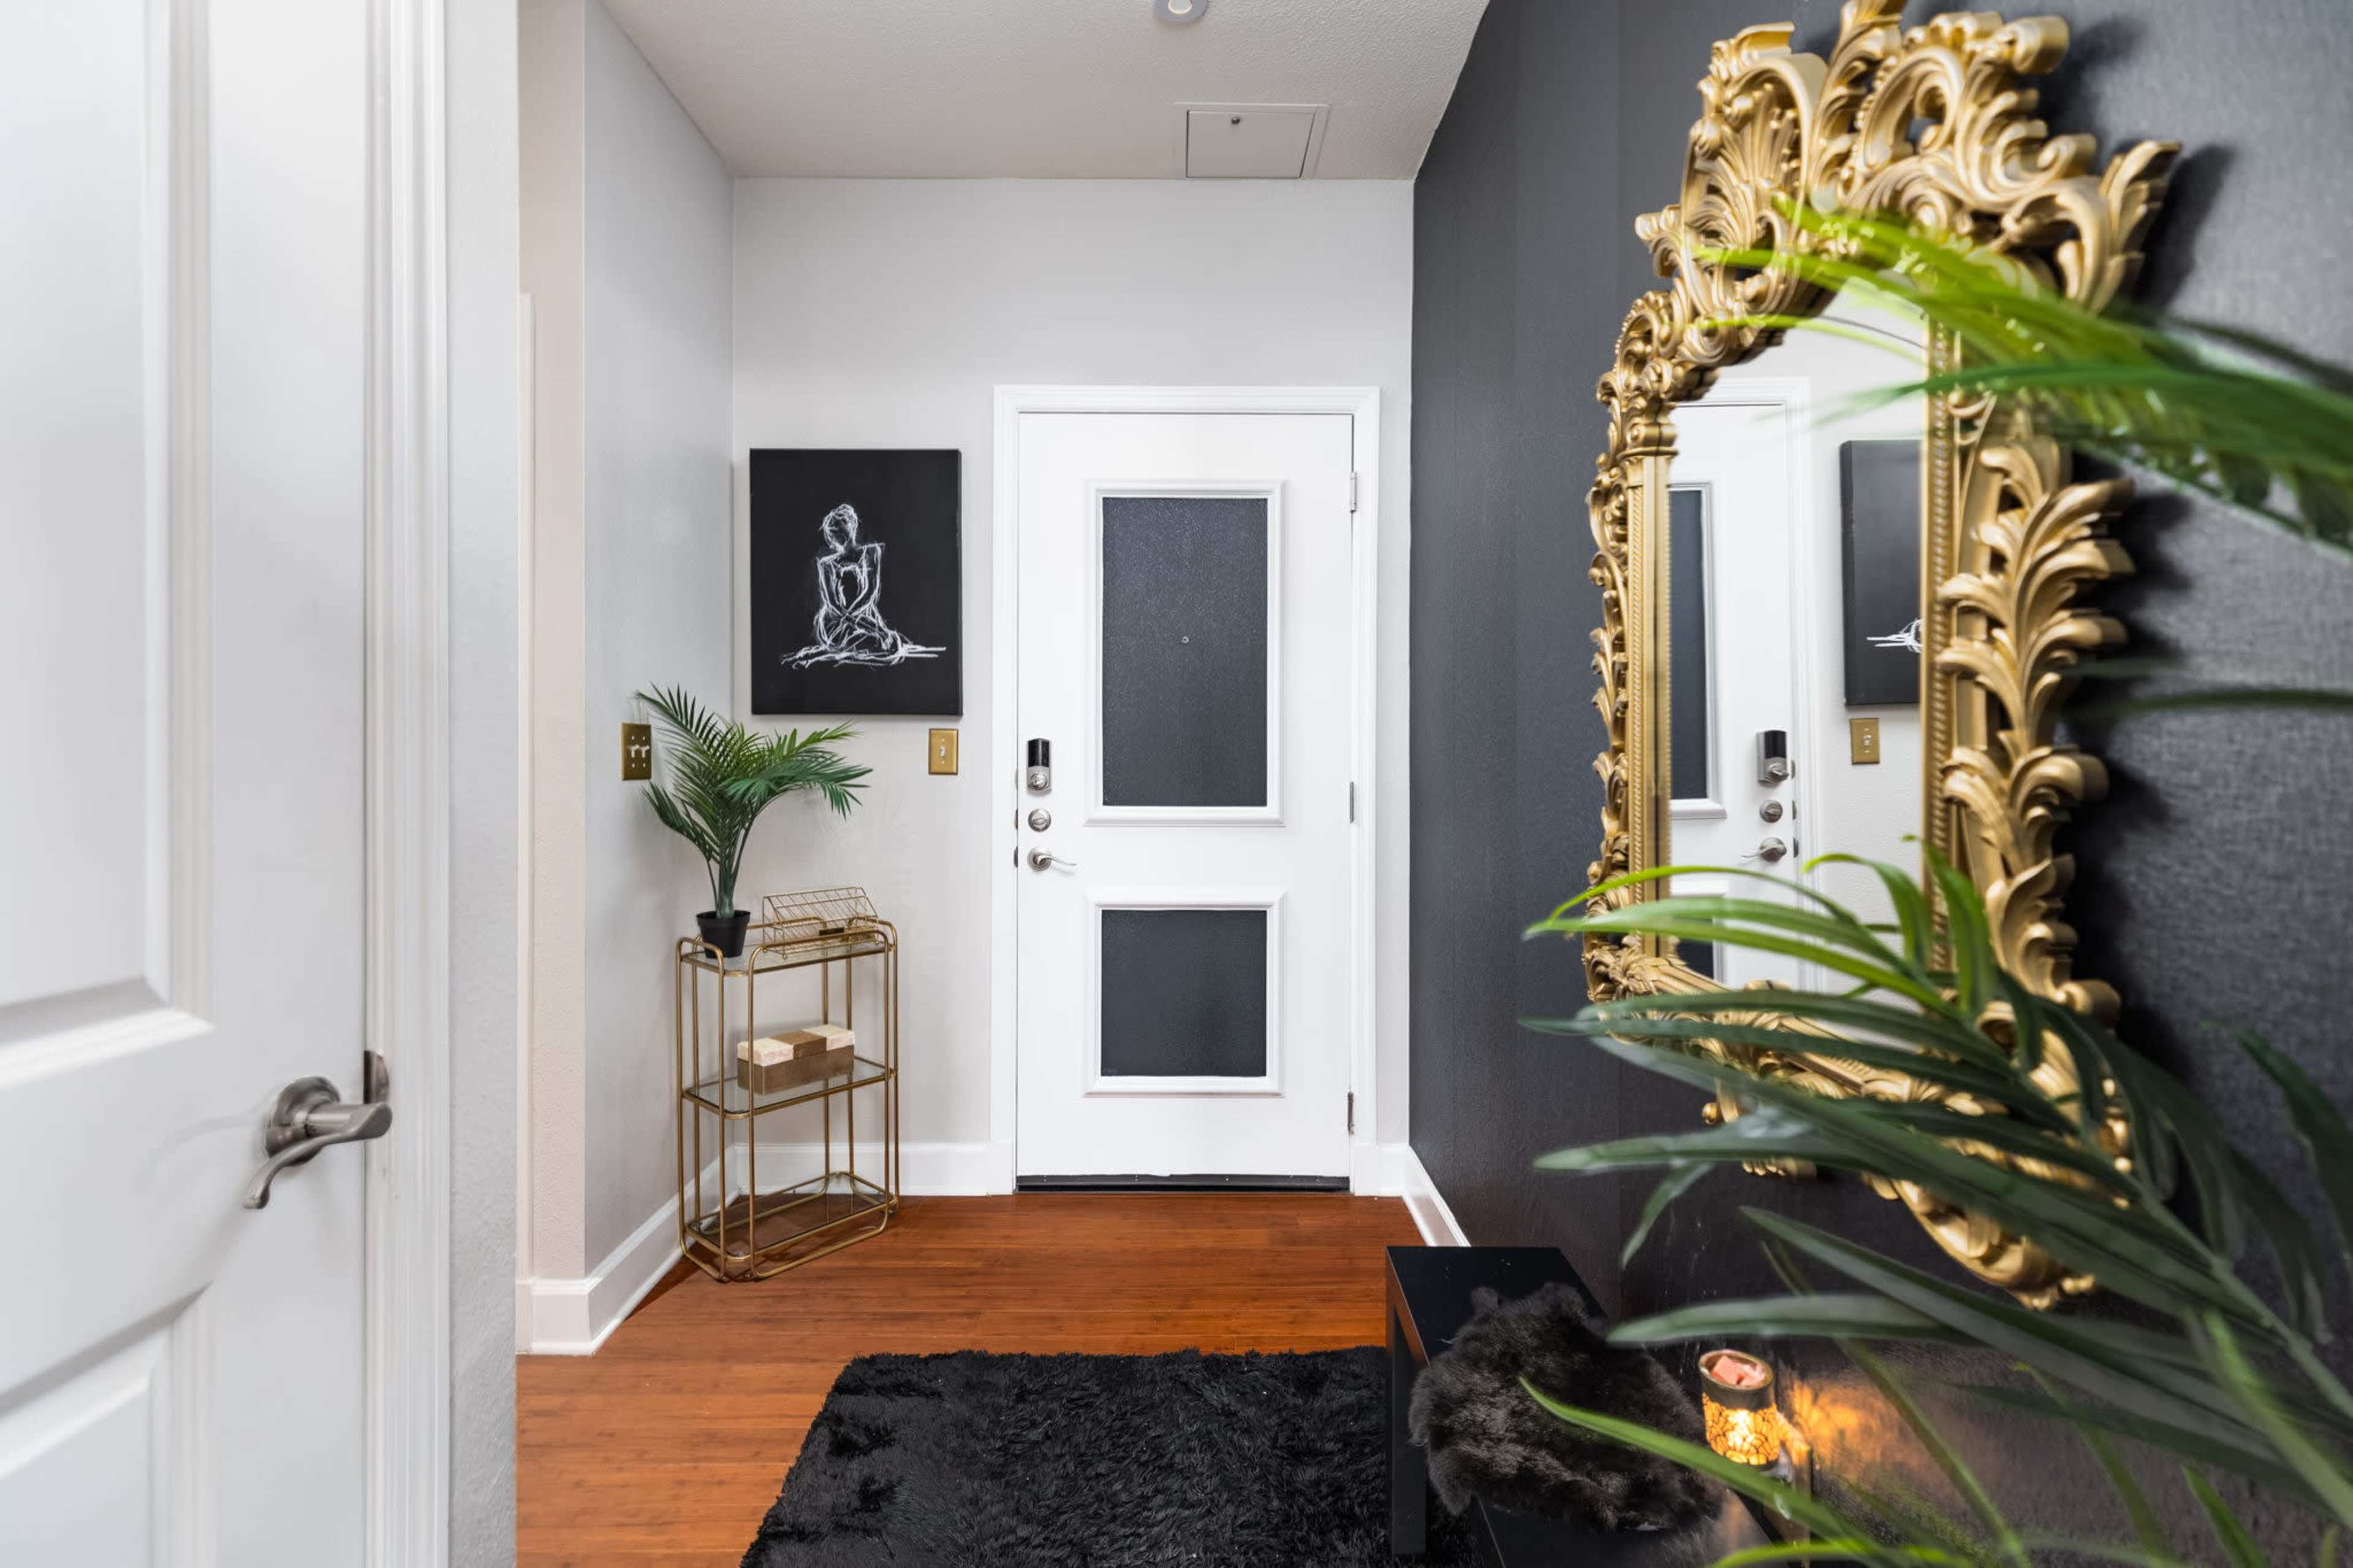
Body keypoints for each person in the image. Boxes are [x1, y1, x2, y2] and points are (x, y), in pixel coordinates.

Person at [787, 502, 942, 668]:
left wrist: (873, 627)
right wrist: (875, 630)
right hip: (836, 623)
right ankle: (823, 654)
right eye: (833, 531)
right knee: (886, 646)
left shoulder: (872, 552)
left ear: (852, 525)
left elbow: (870, 595)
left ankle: (820, 653)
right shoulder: (826, 564)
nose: (837, 533)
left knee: (891, 645)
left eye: (840, 527)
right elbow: (834, 607)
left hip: (866, 619)